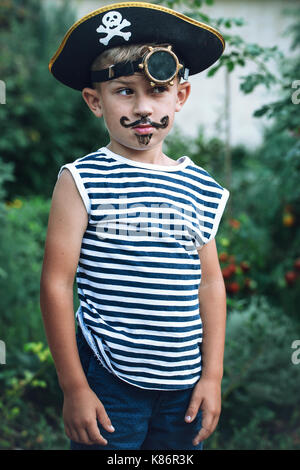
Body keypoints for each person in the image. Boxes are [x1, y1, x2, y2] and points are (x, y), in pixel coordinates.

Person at [40, 2, 230, 451]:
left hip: (184, 388)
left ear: (179, 97)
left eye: (158, 91)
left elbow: (210, 283)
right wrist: (74, 387)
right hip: (108, 383)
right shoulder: (81, 181)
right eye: (124, 91)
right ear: (95, 100)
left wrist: (213, 376)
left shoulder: (200, 187)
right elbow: (55, 283)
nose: (143, 107)